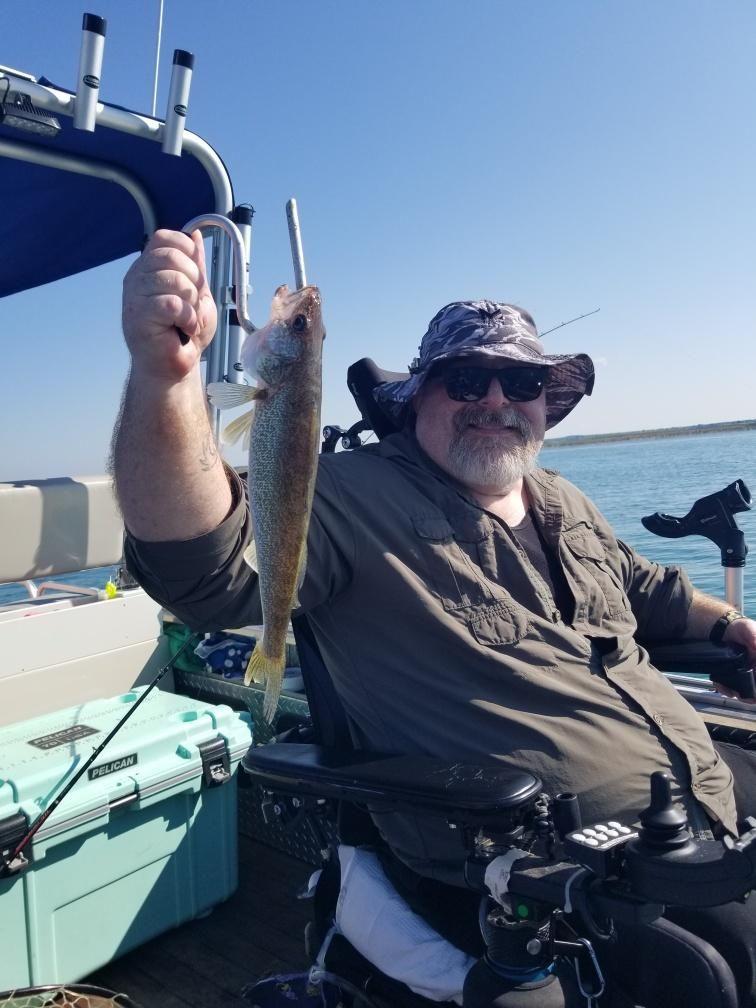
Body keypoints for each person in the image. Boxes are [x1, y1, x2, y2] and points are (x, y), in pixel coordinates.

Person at [112, 230, 756, 1005]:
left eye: (520, 382)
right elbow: (204, 568)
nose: (495, 400)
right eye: (467, 378)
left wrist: (733, 629)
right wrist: (165, 378)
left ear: (543, 405)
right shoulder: (347, 494)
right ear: (419, 395)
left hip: (704, 797)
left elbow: (651, 589)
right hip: (554, 864)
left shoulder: (563, 498)